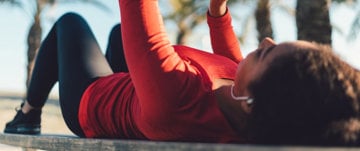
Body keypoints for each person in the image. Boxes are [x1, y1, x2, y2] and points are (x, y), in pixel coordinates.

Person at [4, 0, 360, 146]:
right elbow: (231, 58)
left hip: (91, 103)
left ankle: (27, 114)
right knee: (116, 37)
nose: (265, 38)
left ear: (252, 102)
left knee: (71, 23)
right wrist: (218, 9)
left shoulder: (177, 97)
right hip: (142, 96)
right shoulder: (249, 106)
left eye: (266, 51)